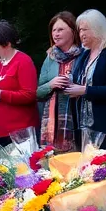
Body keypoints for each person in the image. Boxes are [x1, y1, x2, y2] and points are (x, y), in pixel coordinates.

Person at [66, 9, 106, 150]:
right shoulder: (84, 55)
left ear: (98, 29)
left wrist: (85, 90)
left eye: (85, 30)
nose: (81, 34)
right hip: (83, 125)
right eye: (80, 30)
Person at [36, 11, 83, 151]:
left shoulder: (83, 55)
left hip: (78, 117)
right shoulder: (50, 57)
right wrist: (51, 85)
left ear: (73, 31)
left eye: (60, 29)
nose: (56, 34)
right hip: (52, 122)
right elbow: (38, 92)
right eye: (53, 30)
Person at [0, 20, 39, 140]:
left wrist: (1, 94)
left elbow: (30, 95)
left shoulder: (23, 61)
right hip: (2, 130)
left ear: (7, 43)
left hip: (22, 130)